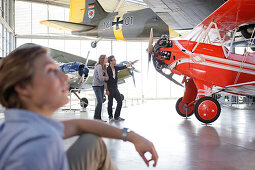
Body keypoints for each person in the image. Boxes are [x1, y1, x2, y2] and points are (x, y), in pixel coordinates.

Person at [0, 46, 158, 170]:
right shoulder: (35, 149)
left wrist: (131, 136)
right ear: (22, 87)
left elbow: (79, 125)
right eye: (50, 71)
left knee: (92, 141)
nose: (65, 76)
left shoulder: (25, 126)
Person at [106, 55, 138, 121]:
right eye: (114, 60)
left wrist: (132, 63)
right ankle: (110, 116)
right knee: (110, 103)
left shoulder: (116, 67)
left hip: (115, 88)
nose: (115, 60)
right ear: (110, 61)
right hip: (109, 88)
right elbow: (105, 81)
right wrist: (106, 90)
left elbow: (124, 66)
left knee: (120, 101)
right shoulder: (108, 69)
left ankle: (117, 116)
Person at [92, 55, 109, 121]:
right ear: (103, 59)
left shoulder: (104, 67)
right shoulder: (98, 66)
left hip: (101, 86)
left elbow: (107, 78)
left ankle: (98, 118)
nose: (107, 59)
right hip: (96, 86)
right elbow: (101, 79)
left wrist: (103, 77)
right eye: (106, 58)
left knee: (101, 101)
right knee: (100, 101)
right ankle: (96, 118)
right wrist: (103, 77)